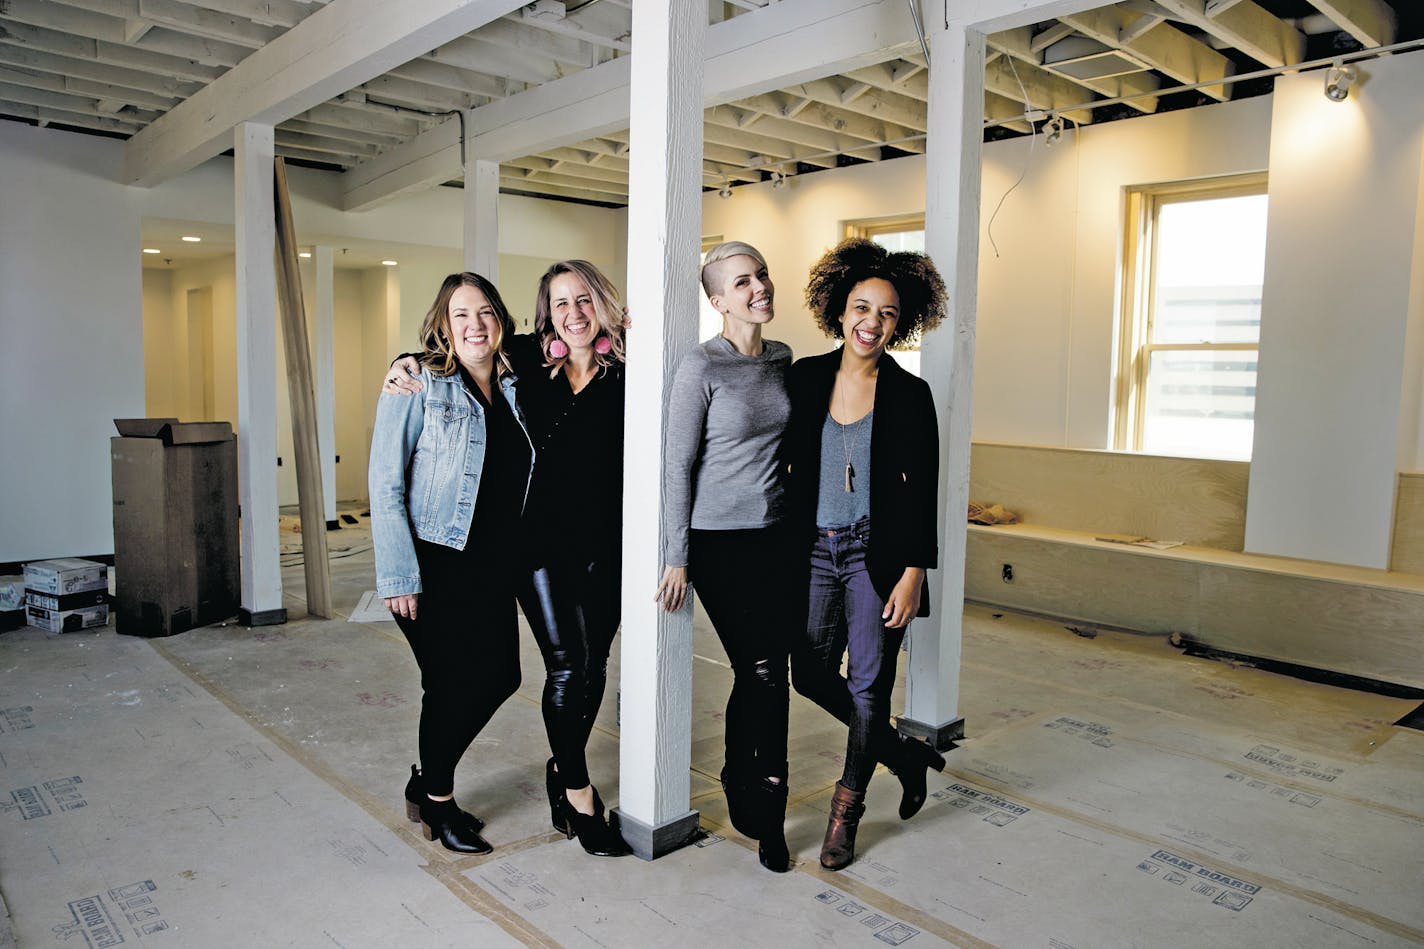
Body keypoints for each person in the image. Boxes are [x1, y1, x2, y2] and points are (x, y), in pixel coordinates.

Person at [383, 261, 630, 857]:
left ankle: (431, 783)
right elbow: (386, 479)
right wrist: (404, 362)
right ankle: (459, 798)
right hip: (483, 555)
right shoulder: (469, 375)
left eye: (584, 300)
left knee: (543, 673)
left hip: (536, 556)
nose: (573, 313)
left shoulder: (536, 374)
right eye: (560, 303)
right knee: (461, 682)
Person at [785, 238, 950, 871]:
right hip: (812, 551)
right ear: (839, 310)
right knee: (812, 673)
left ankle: (846, 810)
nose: (871, 323)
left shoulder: (911, 395)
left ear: (898, 322)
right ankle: (905, 757)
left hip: (875, 556)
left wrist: (913, 575)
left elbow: (925, 491)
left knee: (870, 687)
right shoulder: (803, 377)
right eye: (861, 307)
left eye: (885, 312)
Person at [369, 272, 534, 855]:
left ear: (501, 320)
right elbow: (384, 483)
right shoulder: (419, 384)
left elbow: (575, 334)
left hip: (493, 564)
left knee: (501, 676)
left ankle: (424, 781)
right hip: (433, 561)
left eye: (486, 311)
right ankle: (437, 802)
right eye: (461, 314)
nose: (475, 325)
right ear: (443, 323)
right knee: (447, 684)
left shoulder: (518, 380)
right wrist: (398, 575)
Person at [655, 240, 796, 873]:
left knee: (768, 671)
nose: (758, 287)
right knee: (764, 668)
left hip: (777, 536)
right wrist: (677, 556)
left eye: (761, 275)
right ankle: (766, 810)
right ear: (717, 301)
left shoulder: (783, 360)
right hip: (718, 543)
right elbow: (676, 465)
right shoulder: (700, 367)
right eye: (742, 282)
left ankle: (745, 777)